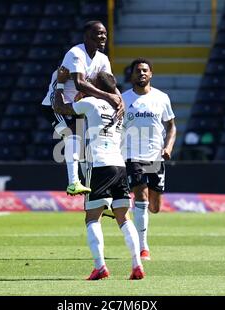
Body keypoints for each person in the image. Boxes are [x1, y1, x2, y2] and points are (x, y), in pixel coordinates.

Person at [53, 67, 145, 280]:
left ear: (97, 86)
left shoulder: (92, 103)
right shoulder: (120, 107)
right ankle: (136, 264)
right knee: (123, 217)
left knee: (92, 218)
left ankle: (100, 266)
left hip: (99, 165)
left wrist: (59, 83)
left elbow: (60, 107)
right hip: (119, 165)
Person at [41, 20, 124, 196]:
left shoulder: (102, 58)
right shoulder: (76, 53)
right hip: (57, 104)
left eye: (105, 33)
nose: (103, 36)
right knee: (72, 134)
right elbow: (79, 84)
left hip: (78, 106)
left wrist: (119, 97)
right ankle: (73, 183)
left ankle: (95, 191)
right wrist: (109, 96)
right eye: (99, 33)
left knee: (86, 146)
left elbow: (109, 82)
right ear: (87, 36)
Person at [121, 58, 177, 261]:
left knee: (155, 207)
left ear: (151, 74)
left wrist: (168, 147)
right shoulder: (123, 99)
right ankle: (143, 247)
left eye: (145, 70)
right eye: (137, 71)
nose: (141, 74)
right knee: (141, 197)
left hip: (155, 156)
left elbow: (171, 126)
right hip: (131, 155)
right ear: (132, 75)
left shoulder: (162, 98)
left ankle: (134, 216)